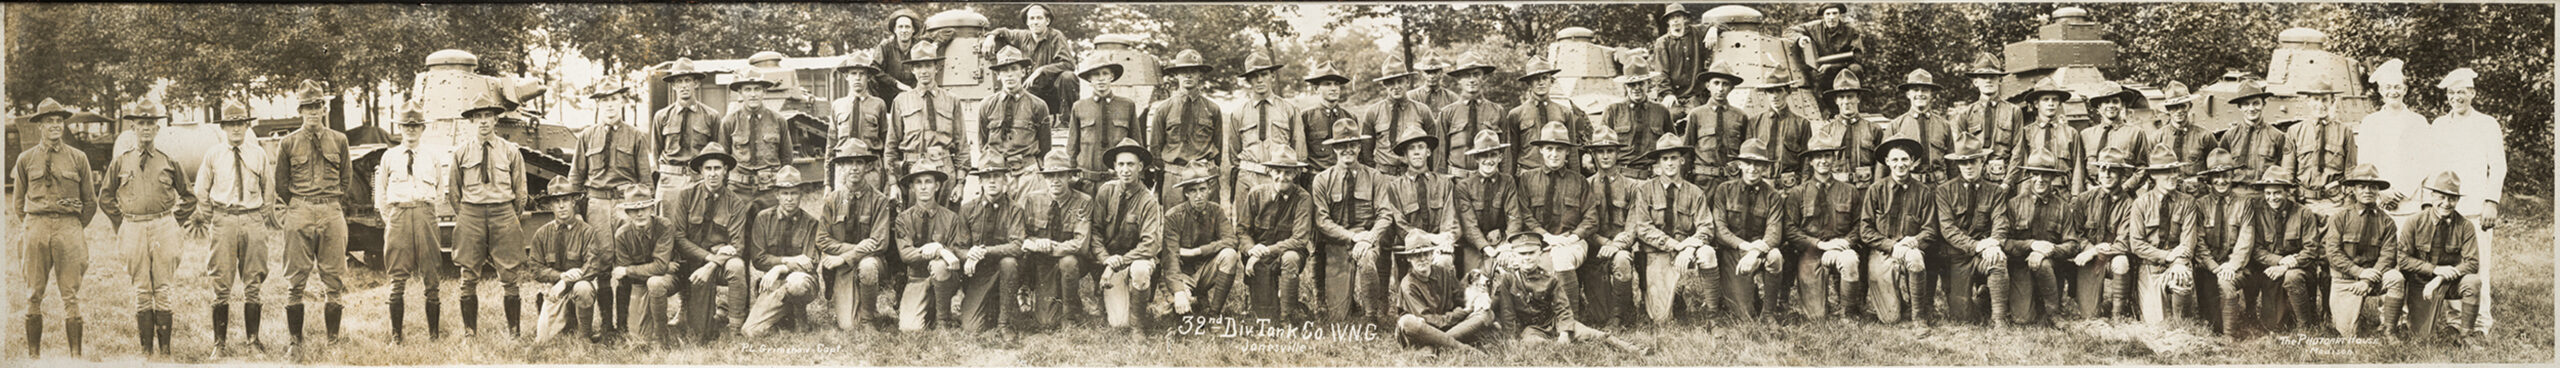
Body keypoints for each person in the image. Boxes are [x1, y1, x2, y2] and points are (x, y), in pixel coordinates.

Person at [102, 96, 192, 356]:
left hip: (163, 227)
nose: (145, 128)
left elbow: (189, 196)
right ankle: (146, 351)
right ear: (133, 128)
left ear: (157, 129)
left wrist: (174, 222)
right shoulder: (121, 160)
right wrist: (123, 224)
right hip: (133, 228)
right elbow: (105, 197)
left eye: (150, 123)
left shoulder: (168, 160)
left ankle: (165, 352)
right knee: (142, 290)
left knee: (162, 289)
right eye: (140, 123)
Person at [276, 87, 357, 345]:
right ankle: (295, 342)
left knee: (333, 277)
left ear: (325, 108)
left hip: (331, 211)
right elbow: (281, 183)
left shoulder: (339, 140)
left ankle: (332, 340)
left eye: (317, 106)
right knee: (296, 278)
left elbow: (346, 179)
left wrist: (328, 201)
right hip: (299, 210)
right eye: (308, 107)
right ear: (300, 110)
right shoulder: (287, 143)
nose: (313, 112)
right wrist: (301, 204)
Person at [2424, 67, 2502, 332]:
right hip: (2445, 208)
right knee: (2447, 264)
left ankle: (2480, 323)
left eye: (2462, 92)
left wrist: (2491, 201)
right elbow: (2433, 166)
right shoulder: (2438, 125)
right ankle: (2455, 321)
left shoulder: (2487, 124)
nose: (2456, 97)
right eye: (2452, 93)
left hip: (2474, 208)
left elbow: (2498, 166)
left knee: (2477, 266)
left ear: (2473, 93)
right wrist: (2430, 204)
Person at [16, 98, 95, 356]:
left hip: (68, 228)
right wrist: (34, 224)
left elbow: (90, 201)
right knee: (33, 293)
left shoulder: (78, 158)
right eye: (49, 121)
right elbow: (18, 202)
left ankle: (75, 357)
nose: (55, 125)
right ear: (39, 126)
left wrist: (72, 225)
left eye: (59, 121)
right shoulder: (25, 159)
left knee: (71, 295)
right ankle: (34, 356)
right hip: (36, 226)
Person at [196, 102, 273, 353]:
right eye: (231, 124)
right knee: (221, 282)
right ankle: (219, 344)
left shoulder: (258, 154)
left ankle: (253, 341)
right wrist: (215, 219)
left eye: (240, 123)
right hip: (224, 219)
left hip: (252, 219)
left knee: (253, 282)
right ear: (224, 128)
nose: (236, 129)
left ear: (246, 126)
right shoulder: (213, 154)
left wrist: (257, 216)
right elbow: (201, 190)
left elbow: (269, 191)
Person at [1491, 244, 1651, 355]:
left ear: (1540, 254)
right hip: (1532, 328)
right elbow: (1507, 312)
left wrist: (1564, 333)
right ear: (1515, 256)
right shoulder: (1509, 280)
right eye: (1522, 254)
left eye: (1531, 253)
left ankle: (1634, 350)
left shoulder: (1550, 279)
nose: (1527, 258)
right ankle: (1560, 347)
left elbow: (1563, 308)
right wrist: (1510, 339)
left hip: (1554, 322)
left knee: (1596, 334)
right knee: (1532, 343)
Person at [1627, 135, 1719, 324]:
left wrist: (1690, 248)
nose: (1669, 163)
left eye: (1674, 158)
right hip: (1656, 252)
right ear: (1658, 163)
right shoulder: (1644, 190)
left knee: (1708, 252)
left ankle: (1713, 317)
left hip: (1686, 251)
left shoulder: (1695, 192)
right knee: (1660, 319)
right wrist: (1676, 245)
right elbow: (1643, 228)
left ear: (1682, 160)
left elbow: (1706, 227)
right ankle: (1673, 298)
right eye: (1665, 159)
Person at [664, 143, 747, 342]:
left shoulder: (735, 202)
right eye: (708, 168)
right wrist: (708, 256)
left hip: (717, 265)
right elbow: (679, 237)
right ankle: (695, 312)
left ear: (725, 170)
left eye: (717, 168)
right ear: (701, 170)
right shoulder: (685, 196)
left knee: (736, 266)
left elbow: (738, 245)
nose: (713, 174)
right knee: (698, 334)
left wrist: (710, 265)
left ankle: (735, 328)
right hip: (690, 264)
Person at [376, 112, 447, 343]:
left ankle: (433, 335)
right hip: (399, 215)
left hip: (424, 213)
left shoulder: (432, 156)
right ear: (400, 128)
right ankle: (396, 336)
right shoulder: (389, 156)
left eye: (415, 125)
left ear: (422, 128)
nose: (411, 129)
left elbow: (439, 192)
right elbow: (381, 194)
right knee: (397, 277)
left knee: (431, 275)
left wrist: (424, 212)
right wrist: (394, 218)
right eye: (406, 125)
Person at [2124, 145, 2211, 327]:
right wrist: (2167, 256)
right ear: (2154, 175)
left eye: (2174, 170)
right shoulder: (2141, 204)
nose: (2172, 176)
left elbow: (2188, 241)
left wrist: (2178, 262)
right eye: (2165, 172)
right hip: (2150, 266)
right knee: (2156, 324)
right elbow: (2137, 244)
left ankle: (2183, 326)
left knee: (2183, 278)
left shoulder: (2187, 202)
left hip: (2177, 263)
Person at [1381, 124, 1463, 316]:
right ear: (1405, 155)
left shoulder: (1444, 183)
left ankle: (1445, 310)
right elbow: (1400, 224)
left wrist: (1446, 239)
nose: (1417, 152)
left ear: (1428, 152)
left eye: (1420, 147)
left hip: (1438, 247)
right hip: (1409, 249)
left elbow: (1450, 217)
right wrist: (1431, 239)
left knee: (1443, 262)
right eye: (1411, 148)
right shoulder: (1394, 187)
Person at [2234, 163, 2326, 334]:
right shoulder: (2258, 211)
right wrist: (2278, 262)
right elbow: (2256, 248)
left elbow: (2312, 248)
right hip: (2271, 268)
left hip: (2300, 269)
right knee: (2274, 325)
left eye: (2277, 192)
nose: (2272, 197)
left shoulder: (2304, 213)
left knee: (2292, 277)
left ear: (2287, 192)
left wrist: (2286, 266)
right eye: (2268, 193)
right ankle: (2251, 314)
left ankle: (2305, 327)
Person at [816, 140, 898, 331]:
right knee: (848, 326)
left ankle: (868, 318)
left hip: (869, 261)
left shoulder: (879, 200)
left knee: (868, 266)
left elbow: (880, 243)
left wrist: (845, 256)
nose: (854, 168)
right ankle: (848, 300)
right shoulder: (832, 199)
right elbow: (821, 239)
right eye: (848, 163)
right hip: (841, 265)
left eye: (859, 162)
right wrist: (853, 251)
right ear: (842, 167)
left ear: (867, 166)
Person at [1312, 124, 1389, 321]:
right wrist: (1352, 237)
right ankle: (1337, 300)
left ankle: (1371, 315)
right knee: (1338, 316)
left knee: (1368, 260)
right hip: (1337, 242)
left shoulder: (1374, 177)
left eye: (1353, 144)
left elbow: (1385, 214)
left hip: (1367, 238)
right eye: (1342, 145)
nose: (1348, 149)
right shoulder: (1322, 180)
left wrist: (1368, 238)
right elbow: (1322, 220)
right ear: (1334, 148)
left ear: (1359, 147)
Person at [1088, 139, 1169, 329]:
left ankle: (1138, 325)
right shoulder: (1105, 192)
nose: (1126, 169)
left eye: (1131, 164)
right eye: (1121, 164)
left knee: (1140, 270)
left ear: (1140, 167)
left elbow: (1150, 245)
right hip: (1111, 262)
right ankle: (1111, 300)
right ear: (1115, 167)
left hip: (1135, 260)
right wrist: (1107, 260)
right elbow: (1096, 232)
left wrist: (1120, 262)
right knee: (1118, 324)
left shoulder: (1147, 201)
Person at [740, 167, 829, 337]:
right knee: (750, 331)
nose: (789, 199)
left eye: (794, 193)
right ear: (776, 194)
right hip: (774, 283)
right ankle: (784, 314)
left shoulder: (811, 223)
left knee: (796, 283)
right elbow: (758, 259)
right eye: (785, 193)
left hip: (804, 282)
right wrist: (787, 261)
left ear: (801, 194)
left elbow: (811, 263)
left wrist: (780, 267)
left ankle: (799, 315)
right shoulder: (763, 219)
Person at [1989, 153, 2076, 325]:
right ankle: (1991, 295)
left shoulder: (2062, 207)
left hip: (2049, 268)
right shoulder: (2014, 204)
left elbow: (2073, 244)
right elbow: (2005, 242)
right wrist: (2032, 245)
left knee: (2041, 263)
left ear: (2053, 177)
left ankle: (2054, 313)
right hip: (2020, 267)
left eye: (2045, 174)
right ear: (2029, 176)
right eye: (2035, 174)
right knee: (2022, 319)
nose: (2040, 179)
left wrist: (2050, 250)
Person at [2396, 171, 2483, 342]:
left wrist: (2440, 277)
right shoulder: (2414, 222)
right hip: (2420, 283)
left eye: (2452, 198)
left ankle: (2466, 336)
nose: (2446, 203)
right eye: (2441, 197)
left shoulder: (2465, 226)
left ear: (2457, 200)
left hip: (2449, 282)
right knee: (2421, 339)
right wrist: (2434, 269)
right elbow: (2402, 259)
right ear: (2432, 196)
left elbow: (2472, 263)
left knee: (2473, 282)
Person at [1232, 146, 1317, 320]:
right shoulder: (1256, 195)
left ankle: (1287, 317)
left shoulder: (1303, 198)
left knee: (1291, 258)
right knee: (1265, 316)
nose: (1282, 177)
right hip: (1259, 258)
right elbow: (1242, 230)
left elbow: (1299, 240)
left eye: (1288, 172)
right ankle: (1279, 304)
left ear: (1295, 174)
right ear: (1269, 171)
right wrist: (1251, 250)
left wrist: (1266, 251)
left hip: (1286, 253)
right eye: (1277, 171)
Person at [1789, 129, 1865, 320]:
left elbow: (1860, 224)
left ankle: (1848, 312)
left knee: (1850, 260)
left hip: (1841, 247)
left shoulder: (1850, 191)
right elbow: (1790, 229)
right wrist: (1820, 244)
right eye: (1818, 157)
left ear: (1834, 159)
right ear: (1811, 161)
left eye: (1827, 156)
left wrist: (1845, 242)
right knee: (1816, 317)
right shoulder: (1798, 193)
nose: (1823, 161)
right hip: (1811, 252)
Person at [1860, 135, 1934, 324]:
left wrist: (1914, 241)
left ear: (1913, 162)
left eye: (1904, 159)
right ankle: (1900, 303)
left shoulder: (1924, 191)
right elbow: (1866, 230)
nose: (1900, 164)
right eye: (1895, 159)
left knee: (1916, 260)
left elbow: (1930, 229)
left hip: (1911, 248)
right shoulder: (1875, 190)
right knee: (1890, 319)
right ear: (1887, 162)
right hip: (1883, 251)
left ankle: (1919, 317)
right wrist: (1892, 246)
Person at [1931, 139, 2006, 326]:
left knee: (1998, 259)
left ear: (1983, 162)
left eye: (1973, 161)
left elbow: (2001, 222)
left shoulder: (1995, 191)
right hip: (1957, 256)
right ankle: (1983, 297)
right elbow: (1948, 229)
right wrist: (1977, 245)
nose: (1969, 166)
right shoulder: (1944, 191)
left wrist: (1994, 243)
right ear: (1957, 164)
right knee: (1962, 317)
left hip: (1985, 253)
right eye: (1963, 162)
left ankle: (1999, 320)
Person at [2321, 165, 2399, 338]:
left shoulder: (2387, 222)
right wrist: (2360, 272)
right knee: (2347, 334)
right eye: (2362, 186)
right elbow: (2333, 253)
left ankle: (2389, 329)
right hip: (2346, 279)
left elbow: (2388, 256)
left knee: (2396, 278)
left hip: (2375, 278)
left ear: (2378, 190)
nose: (2367, 191)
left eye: (2372, 187)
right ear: (2353, 190)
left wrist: (2368, 280)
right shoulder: (2339, 218)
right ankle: (2356, 318)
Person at [1020, 150, 1095, 328]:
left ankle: (1069, 314)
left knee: (1068, 262)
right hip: (1042, 262)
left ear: (1070, 176)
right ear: (1044, 178)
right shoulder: (1032, 199)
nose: (1054, 180)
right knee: (1046, 322)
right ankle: (1030, 292)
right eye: (1049, 175)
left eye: (1060, 175)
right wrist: (1037, 243)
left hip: (1070, 261)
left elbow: (1081, 244)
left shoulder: (1083, 202)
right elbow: (1024, 234)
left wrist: (1051, 247)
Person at [953, 164, 1030, 334]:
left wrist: (984, 251)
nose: (992, 181)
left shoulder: (1015, 210)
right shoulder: (967, 209)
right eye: (987, 177)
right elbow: (959, 247)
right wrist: (969, 254)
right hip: (978, 274)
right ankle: (991, 307)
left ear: (1005, 181)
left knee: (1009, 262)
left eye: (997, 176)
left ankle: (1004, 323)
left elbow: (1017, 246)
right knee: (972, 329)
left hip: (1005, 273)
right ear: (980, 181)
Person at [1575, 126, 1640, 327]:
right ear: (1593, 154)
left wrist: (1616, 245)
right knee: (1599, 315)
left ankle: (1618, 317)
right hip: (1594, 251)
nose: (1605, 156)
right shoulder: (1584, 185)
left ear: (1617, 153)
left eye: (1610, 150)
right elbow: (1583, 224)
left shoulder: (1632, 186)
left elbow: (1633, 224)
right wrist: (1603, 242)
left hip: (1621, 249)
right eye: (1600, 151)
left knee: (1621, 261)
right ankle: (1607, 310)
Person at [2068, 142, 2141, 321]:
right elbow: (2075, 233)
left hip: (2111, 258)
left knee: (2122, 262)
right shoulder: (2084, 200)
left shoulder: (2130, 204)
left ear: (2122, 175)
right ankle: (2087, 301)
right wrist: (2090, 250)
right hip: (2089, 259)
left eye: (2112, 170)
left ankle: (2118, 314)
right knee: (2089, 315)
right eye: (2102, 170)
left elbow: (2124, 243)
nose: (2106, 174)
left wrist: (2096, 250)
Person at [524, 181, 602, 343]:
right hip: (554, 289)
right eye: (556, 201)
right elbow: (535, 269)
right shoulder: (542, 234)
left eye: (565, 200)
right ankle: (564, 322)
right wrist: (560, 276)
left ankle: (584, 336)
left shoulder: (587, 232)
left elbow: (592, 266)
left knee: (584, 289)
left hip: (577, 285)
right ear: (550, 205)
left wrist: (566, 282)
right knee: (543, 341)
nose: (561, 206)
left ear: (573, 202)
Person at [891, 167, 964, 331]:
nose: (923, 187)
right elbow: (906, 254)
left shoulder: (950, 217)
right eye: (918, 182)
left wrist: (943, 250)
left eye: (928, 182)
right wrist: (937, 249)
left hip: (945, 277)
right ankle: (929, 309)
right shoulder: (903, 219)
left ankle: (943, 321)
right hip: (917, 278)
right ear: (912, 187)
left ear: (937, 186)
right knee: (909, 329)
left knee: (939, 266)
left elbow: (955, 251)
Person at [1160, 175, 1244, 317]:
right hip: (1182, 273)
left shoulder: (1216, 211)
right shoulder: (1173, 216)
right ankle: (1185, 298)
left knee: (1229, 255)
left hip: (1205, 271)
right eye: (1193, 191)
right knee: (1180, 311)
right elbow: (1170, 257)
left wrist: (1197, 251)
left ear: (1209, 190)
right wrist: (1179, 291)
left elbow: (1231, 240)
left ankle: (1214, 314)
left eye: (1202, 189)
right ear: (1186, 193)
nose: (1199, 196)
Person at [1149, 50, 1225, 205]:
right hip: (1175, 177)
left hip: (1205, 178)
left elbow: (1218, 148)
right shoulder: (1164, 109)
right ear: (1176, 75)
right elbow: (1155, 148)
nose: (1188, 76)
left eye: (1193, 71)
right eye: (1183, 71)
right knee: (1174, 225)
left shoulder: (1212, 109)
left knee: (1208, 226)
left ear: (1200, 75)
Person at [577, 81, 652, 234]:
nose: (610, 105)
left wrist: (646, 211)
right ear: (598, 104)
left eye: (614, 99)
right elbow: (576, 176)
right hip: (597, 206)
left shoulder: (635, 135)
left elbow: (645, 178)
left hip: (627, 205)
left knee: (629, 252)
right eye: (605, 100)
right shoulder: (587, 136)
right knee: (599, 253)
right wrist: (576, 212)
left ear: (622, 102)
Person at [610, 186, 681, 345]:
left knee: (654, 282)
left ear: (652, 208)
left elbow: (657, 268)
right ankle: (626, 326)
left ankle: (661, 337)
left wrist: (630, 270)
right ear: (627, 213)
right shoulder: (622, 235)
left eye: (644, 208)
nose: (640, 213)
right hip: (639, 283)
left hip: (668, 279)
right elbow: (624, 278)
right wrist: (660, 266)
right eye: (634, 210)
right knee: (638, 338)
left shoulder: (664, 226)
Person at [893, 41, 965, 197]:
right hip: (912, 170)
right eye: (918, 66)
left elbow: (962, 144)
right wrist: (893, 183)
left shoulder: (952, 100)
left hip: (944, 168)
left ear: (936, 68)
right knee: (913, 219)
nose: (923, 71)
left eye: (928, 65)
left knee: (946, 219)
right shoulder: (901, 101)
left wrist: (960, 182)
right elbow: (891, 145)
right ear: (912, 70)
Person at [1391, 244, 1492, 354]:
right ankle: (1465, 349)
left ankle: (1432, 348)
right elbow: (1429, 320)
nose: (1423, 258)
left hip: (1448, 326)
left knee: (1487, 314)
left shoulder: (1444, 273)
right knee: (1407, 321)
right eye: (1417, 255)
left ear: (1432, 255)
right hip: (1423, 331)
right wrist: (1462, 312)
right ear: (1409, 258)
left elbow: (1459, 298)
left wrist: (1476, 296)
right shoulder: (1408, 285)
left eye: (1426, 254)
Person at [985, 4, 1080, 119]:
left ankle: (1068, 122)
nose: (1035, 22)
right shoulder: (1022, 36)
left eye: (1039, 18)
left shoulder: (1056, 37)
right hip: (1031, 92)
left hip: (1054, 93)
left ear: (1047, 21)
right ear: (1027, 22)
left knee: (1068, 77)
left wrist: (1042, 70)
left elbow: (1068, 64)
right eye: (1032, 18)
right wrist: (991, 36)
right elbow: (1003, 31)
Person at [1229, 51, 1302, 190]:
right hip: (1247, 178)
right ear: (1248, 81)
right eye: (1254, 76)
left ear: (1273, 76)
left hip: (1279, 178)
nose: (1260, 80)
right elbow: (1234, 154)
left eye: (1264, 74)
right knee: (1245, 212)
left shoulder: (1289, 110)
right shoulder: (1238, 113)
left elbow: (1299, 151)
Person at [1454, 131, 1518, 287]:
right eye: (1484, 156)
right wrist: (1487, 248)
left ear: (1500, 157)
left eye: (1493, 155)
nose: (1489, 161)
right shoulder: (1464, 186)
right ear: (1476, 158)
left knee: (1509, 281)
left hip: (1502, 243)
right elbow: (1469, 226)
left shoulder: (1507, 182)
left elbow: (1514, 216)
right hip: (1475, 247)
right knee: (1473, 286)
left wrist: (1507, 244)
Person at [1505, 59, 1590, 174]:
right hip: (1528, 174)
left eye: (1545, 78)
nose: (1541, 82)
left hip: (1558, 174)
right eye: (1536, 79)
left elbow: (1572, 152)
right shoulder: (1516, 114)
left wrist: (1575, 179)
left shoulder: (1564, 113)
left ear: (1552, 81)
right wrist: (1510, 181)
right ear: (1529, 83)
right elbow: (1511, 152)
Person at [653, 58, 724, 194]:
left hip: (699, 179)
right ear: (673, 85)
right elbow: (655, 152)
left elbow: (717, 153)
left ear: (696, 83)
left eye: (687, 80)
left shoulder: (711, 115)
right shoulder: (662, 116)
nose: (683, 85)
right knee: (667, 216)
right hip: (670, 181)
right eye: (679, 81)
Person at [1073, 55, 1142, 188]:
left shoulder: (1127, 106)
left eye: (1105, 73)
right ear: (1089, 79)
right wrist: (1071, 177)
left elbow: (1136, 144)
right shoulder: (1079, 107)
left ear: (1112, 76)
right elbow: (1072, 147)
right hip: (1087, 183)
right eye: (1096, 74)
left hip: (1118, 182)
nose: (1101, 78)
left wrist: (1139, 178)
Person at [2281, 82, 2354, 208]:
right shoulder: (2294, 131)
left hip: (2336, 204)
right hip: (2303, 203)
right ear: (2308, 101)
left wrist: (2348, 206)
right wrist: (2290, 205)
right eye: (2315, 99)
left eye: (2325, 100)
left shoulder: (2345, 132)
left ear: (2332, 101)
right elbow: (2288, 172)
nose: (2320, 105)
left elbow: (2350, 171)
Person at [982, 46, 1053, 170]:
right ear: (998, 75)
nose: (1009, 75)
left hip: (1027, 171)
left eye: (1014, 69)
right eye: (1004, 70)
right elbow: (983, 143)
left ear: (1023, 72)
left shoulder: (1038, 105)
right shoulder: (987, 105)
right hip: (997, 171)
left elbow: (1045, 146)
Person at [1367, 58, 1444, 172]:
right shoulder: (1373, 112)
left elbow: (1432, 149)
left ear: (1407, 81)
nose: (1396, 86)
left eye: (1400, 81)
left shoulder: (1422, 111)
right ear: (1384, 84)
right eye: (1391, 82)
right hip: (1383, 175)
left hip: (1414, 174)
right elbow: (1366, 153)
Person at [721, 75, 789, 198]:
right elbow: (722, 159)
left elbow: (786, 158)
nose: (753, 94)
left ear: (764, 92)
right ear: (740, 93)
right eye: (748, 89)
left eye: (757, 89)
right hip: (738, 189)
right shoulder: (729, 122)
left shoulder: (779, 120)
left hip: (770, 189)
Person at [833, 51, 892, 187]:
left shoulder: (879, 104)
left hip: (870, 170)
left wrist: (889, 180)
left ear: (869, 77)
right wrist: (827, 184)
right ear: (846, 76)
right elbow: (831, 146)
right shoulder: (838, 105)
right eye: (853, 73)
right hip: (844, 170)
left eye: (862, 74)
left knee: (872, 207)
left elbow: (887, 145)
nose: (857, 78)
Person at [1684, 64, 1749, 187]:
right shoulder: (1696, 115)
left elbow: (1745, 153)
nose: (1720, 88)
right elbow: (1687, 152)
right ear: (1708, 85)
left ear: (1731, 88)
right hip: (1703, 182)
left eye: (1725, 84)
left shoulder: (1740, 116)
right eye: (1716, 83)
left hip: (1732, 182)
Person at [1953, 55, 2021, 174]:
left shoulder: (2013, 111)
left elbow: (2018, 150)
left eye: (1993, 77)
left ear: (2000, 80)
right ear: (1976, 82)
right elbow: (1961, 153)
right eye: (1983, 77)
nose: (1988, 81)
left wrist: (2008, 183)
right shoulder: (1965, 114)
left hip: (2004, 176)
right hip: (1976, 177)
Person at [2007, 79, 2078, 192]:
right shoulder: (2027, 133)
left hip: (2062, 191)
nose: (2051, 103)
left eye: (2054, 100)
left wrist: (2075, 196)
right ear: (2036, 104)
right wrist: (2025, 196)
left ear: (2059, 103)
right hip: (2035, 190)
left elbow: (2077, 167)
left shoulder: (2070, 133)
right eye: (2045, 99)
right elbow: (2024, 167)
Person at [1439, 55, 1506, 174]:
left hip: (1489, 179)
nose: (1472, 79)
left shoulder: (1497, 111)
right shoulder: (1447, 113)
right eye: (1466, 75)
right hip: (1456, 181)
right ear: (1459, 79)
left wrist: (1505, 181)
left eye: (1476, 74)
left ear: (1483, 78)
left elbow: (1505, 154)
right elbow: (1440, 155)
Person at [2079, 84, 2150, 195]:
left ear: (2122, 105)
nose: (2111, 105)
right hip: (2093, 197)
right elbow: (2080, 169)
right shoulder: (2086, 135)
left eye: (2115, 101)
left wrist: (2124, 188)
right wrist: (2089, 187)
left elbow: (2143, 169)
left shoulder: (2136, 133)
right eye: (2106, 102)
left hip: (2125, 196)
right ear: (2099, 107)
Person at [1885, 69, 1951, 182]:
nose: (1920, 94)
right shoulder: (1896, 125)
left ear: (1931, 94)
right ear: (1908, 94)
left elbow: (1952, 163)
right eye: (1915, 90)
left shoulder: (1944, 125)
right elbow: (1884, 166)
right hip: (1908, 186)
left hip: (1938, 187)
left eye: (1924, 90)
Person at [1603, 64, 1670, 175]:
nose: (1636, 88)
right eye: (1631, 85)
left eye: (1641, 83)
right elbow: (1602, 148)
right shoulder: (1613, 111)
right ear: (1625, 86)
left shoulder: (1661, 111)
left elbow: (1671, 145)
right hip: (1621, 175)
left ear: (1648, 83)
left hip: (1652, 176)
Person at [1815, 69, 1881, 183]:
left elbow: (1881, 165)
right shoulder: (1826, 131)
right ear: (1836, 100)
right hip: (1837, 191)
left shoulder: (1874, 130)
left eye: (1850, 96)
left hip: (1865, 189)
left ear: (1858, 98)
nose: (1846, 101)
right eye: (1841, 97)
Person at [1789, 3, 1866, 95]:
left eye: (1835, 13)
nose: (1831, 17)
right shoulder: (1814, 27)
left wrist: (1832, 66)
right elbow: (1789, 31)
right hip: (1822, 70)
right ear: (1823, 16)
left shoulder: (1851, 30)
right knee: (1812, 76)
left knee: (1856, 69)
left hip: (1844, 68)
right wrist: (1800, 38)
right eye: (1828, 14)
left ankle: (1853, 98)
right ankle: (1824, 105)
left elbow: (1857, 57)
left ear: (1840, 15)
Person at [2217, 82, 2286, 183]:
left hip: (2265, 194)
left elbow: (2284, 170)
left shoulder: (2277, 136)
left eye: (2256, 103)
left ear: (2263, 104)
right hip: (2237, 193)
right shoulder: (2229, 137)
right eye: (2246, 104)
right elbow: (2220, 169)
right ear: (2240, 107)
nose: (2252, 108)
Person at [1297, 62, 1358, 170]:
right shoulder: (1306, 117)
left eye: (1337, 84)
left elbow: (1358, 152)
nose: (1334, 88)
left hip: (1344, 177)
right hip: (1315, 178)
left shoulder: (1350, 118)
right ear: (1316, 89)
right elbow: (1299, 153)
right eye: (1327, 84)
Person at [868, 9, 925, 100]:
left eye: (907, 27)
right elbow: (874, 69)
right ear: (894, 29)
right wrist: (896, 83)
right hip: (888, 96)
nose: (904, 30)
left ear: (913, 29)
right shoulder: (885, 47)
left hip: (914, 95)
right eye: (900, 27)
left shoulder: (919, 46)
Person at [1651, 4, 1704, 99]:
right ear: (1668, 21)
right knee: (1670, 113)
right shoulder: (1663, 42)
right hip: (1673, 94)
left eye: (1678, 16)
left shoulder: (1696, 32)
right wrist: (1668, 94)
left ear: (1684, 18)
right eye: (1671, 18)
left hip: (1695, 95)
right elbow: (1661, 73)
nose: (1675, 20)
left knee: (1696, 113)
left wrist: (1713, 29)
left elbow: (1723, 25)